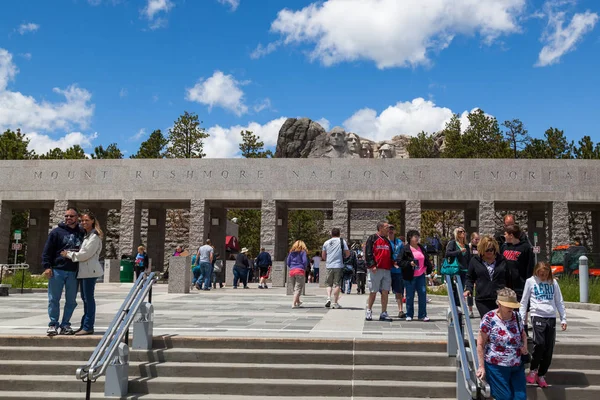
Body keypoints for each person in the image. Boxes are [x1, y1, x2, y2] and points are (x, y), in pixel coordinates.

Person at [520, 261, 567, 388]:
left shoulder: (554, 283)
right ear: (536, 272)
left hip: (550, 316)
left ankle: (541, 375)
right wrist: (521, 318)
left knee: (549, 348)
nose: (543, 277)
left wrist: (563, 318)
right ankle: (533, 369)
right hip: (537, 315)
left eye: (545, 274)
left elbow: (559, 301)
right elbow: (524, 302)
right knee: (540, 344)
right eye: (541, 274)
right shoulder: (530, 282)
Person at [476, 288, 528, 400]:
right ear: (499, 304)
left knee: (520, 397)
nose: (511, 307)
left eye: (513, 305)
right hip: (496, 366)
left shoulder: (517, 316)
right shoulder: (489, 318)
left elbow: (523, 334)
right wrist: (481, 366)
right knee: (504, 397)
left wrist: (525, 346)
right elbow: (480, 344)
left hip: (516, 364)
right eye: (508, 305)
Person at [42, 207, 84, 336]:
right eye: (66, 216)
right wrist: (47, 267)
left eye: (71, 216)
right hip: (57, 270)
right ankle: (53, 324)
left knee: (71, 301)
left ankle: (66, 324)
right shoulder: (56, 232)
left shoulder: (82, 232)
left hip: (74, 271)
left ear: (77, 218)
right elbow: (47, 251)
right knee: (54, 299)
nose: (68, 218)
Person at [61, 211, 103, 336]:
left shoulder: (94, 237)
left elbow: (85, 255)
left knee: (89, 300)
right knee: (85, 299)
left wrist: (68, 254)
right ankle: (85, 325)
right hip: (85, 272)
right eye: (82, 221)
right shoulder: (87, 235)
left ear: (93, 221)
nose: (84, 223)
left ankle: (88, 326)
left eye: (86, 220)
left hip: (90, 272)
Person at [464, 235, 509, 318]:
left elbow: (509, 278)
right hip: (482, 299)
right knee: (488, 321)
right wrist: (468, 289)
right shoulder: (475, 261)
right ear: (482, 249)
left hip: (500, 298)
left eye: (492, 249)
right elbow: (470, 278)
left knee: (499, 323)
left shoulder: (502, 260)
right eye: (487, 250)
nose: (489, 252)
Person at [398, 230, 433, 322]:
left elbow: (426, 259)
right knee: (410, 295)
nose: (417, 238)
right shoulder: (405, 249)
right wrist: (410, 263)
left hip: (421, 275)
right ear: (410, 238)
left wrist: (427, 268)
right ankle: (409, 314)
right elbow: (399, 261)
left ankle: (422, 315)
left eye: (418, 236)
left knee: (422, 293)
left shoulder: (421, 248)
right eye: (415, 236)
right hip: (410, 275)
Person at [364, 221, 394, 321]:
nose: (388, 230)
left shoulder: (387, 241)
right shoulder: (372, 239)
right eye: (386, 227)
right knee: (373, 291)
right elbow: (368, 252)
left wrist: (393, 263)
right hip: (376, 270)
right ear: (380, 228)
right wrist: (372, 265)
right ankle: (369, 310)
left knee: (385, 291)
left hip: (386, 270)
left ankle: (384, 312)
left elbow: (390, 254)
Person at [446, 227, 474, 317]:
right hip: (456, 270)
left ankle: (459, 308)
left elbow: (469, 259)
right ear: (456, 234)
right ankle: (455, 308)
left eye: (464, 231)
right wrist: (459, 251)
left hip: (465, 270)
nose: (462, 233)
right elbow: (447, 254)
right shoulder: (453, 243)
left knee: (462, 290)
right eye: (460, 231)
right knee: (455, 289)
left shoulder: (466, 246)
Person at [502, 224, 535, 302]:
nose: (504, 236)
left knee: (521, 308)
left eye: (505, 234)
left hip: (520, 284)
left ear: (511, 235)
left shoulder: (525, 248)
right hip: (506, 284)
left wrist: (528, 283)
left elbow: (530, 267)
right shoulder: (504, 247)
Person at [322, 228, 350, 309]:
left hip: (329, 265)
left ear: (331, 234)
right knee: (337, 284)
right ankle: (335, 302)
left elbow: (323, 256)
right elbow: (347, 253)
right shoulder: (342, 241)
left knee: (328, 284)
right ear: (339, 234)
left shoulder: (326, 242)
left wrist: (328, 259)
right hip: (338, 265)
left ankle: (328, 298)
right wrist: (344, 257)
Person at [388, 225, 406, 319]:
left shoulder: (399, 243)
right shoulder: (385, 241)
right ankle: (384, 311)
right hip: (387, 270)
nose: (390, 231)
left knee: (399, 291)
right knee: (384, 291)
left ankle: (400, 310)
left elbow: (403, 254)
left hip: (398, 271)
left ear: (395, 231)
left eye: (392, 229)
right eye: (389, 229)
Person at [287, 240, 308, 308]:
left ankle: (298, 301)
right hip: (299, 270)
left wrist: (292, 266)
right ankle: (293, 303)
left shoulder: (291, 253)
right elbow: (304, 261)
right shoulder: (303, 252)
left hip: (292, 271)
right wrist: (304, 267)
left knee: (295, 288)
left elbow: (288, 262)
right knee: (298, 288)